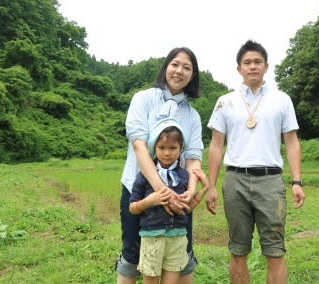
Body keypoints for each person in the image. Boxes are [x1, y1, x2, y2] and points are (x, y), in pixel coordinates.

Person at [206, 40, 306, 284]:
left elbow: (291, 142)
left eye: (257, 62)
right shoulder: (225, 101)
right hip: (235, 180)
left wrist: (296, 181)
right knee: (238, 249)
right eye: (247, 62)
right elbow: (217, 145)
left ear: (266, 66)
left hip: (270, 181)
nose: (252, 66)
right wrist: (210, 186)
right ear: (238, 69)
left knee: (275, 251)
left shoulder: (281, 100)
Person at [116, 47, 204, 284]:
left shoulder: (193, 116)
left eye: (187, 67)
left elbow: (193, 157)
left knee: (181, 253)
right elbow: (139, 145)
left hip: (178, 195)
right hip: (139, 189)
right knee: (132, 253)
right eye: (175, 64)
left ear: (192, 75)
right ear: (166, 67)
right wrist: (160, 190)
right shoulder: (143, 99)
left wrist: (190, 191)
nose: (179, 71)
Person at [129, 118, 209, 284]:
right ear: (154, 148)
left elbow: (186, 209)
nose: (167, 153)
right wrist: (150, 201)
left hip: (177, 239)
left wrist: (203, 190)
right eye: (161, 148)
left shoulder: (184, 176)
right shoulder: (145, 176)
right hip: (152, 238)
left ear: (180, 149)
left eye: (173, 148)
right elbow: (132, 208)